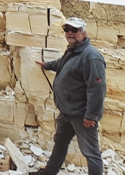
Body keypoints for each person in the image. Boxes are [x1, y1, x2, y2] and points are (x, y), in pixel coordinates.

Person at [34, 17, 108, 175]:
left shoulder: (91, 57)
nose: (70, 33)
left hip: (82, 115)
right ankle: (49, 172)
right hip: (67, 111)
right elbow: (63, 64)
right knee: (60, 142)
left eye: (74, 30)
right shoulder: (74, 50)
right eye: (67, 29)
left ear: (83, 32)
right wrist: (47, 65)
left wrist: (91, 116)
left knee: (91, 153)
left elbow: (97, 89)